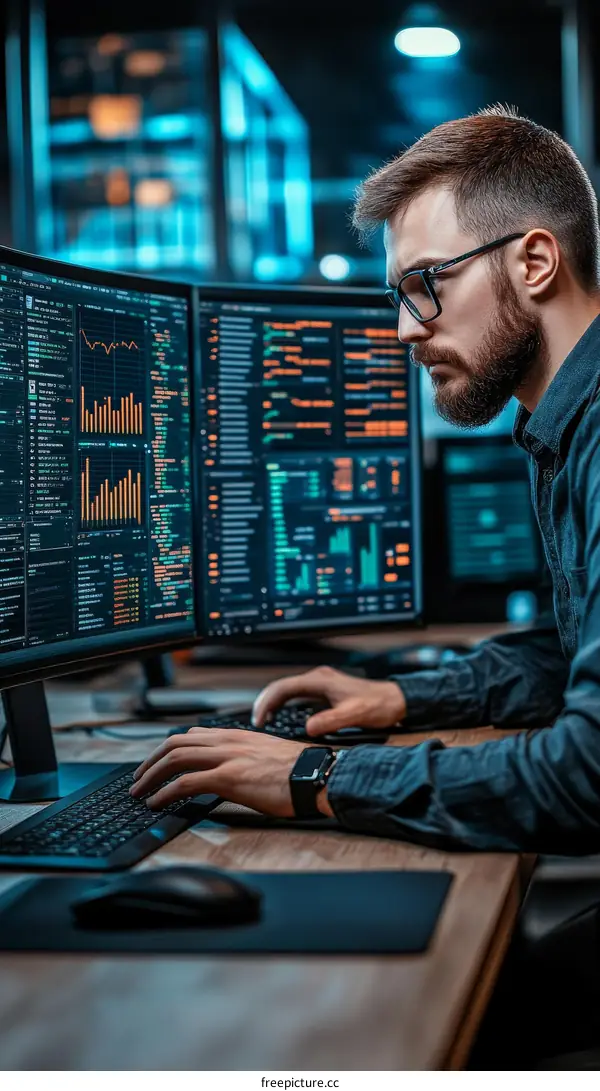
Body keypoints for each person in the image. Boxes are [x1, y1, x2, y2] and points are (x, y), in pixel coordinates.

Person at [131, 105, 600, 853]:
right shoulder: (562, 427)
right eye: (399, 295)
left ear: (535, 262)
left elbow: (587, 773)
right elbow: (568, 657)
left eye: (426, 282)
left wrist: (320, 776)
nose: (408, 328)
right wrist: (397, 695)